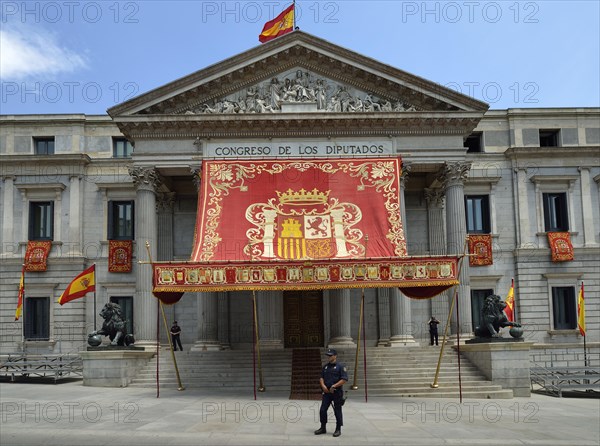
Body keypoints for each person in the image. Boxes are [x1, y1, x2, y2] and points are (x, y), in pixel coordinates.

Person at [314, 348, 348, 437]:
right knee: (322, 410)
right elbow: (321, 377)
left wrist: (334, 386)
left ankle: (338, 429)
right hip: (327, 392)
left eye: (330, 355)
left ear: (335, 356)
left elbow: (344, 379)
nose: (328, 357)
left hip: (336, 392)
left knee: (337, 411)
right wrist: (323, 386)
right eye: (328, 355)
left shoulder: (340, 366)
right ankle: (323, 427)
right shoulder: (325, 366)